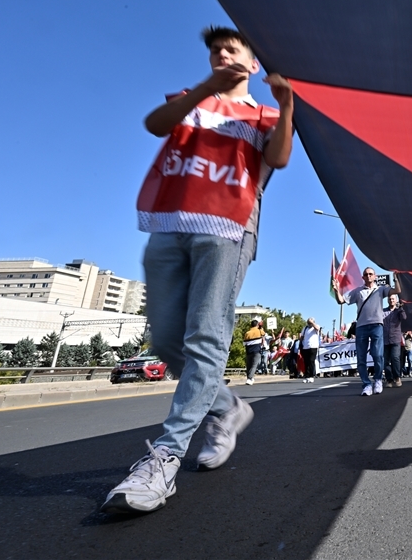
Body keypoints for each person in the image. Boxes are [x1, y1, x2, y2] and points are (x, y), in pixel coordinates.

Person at [102, 26, 295, 514]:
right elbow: (155, 124)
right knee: (167, 341)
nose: (221, 55)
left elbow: (280, 157)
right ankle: (227, 407)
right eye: (214, 50)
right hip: (171, 225)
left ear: (253, 64)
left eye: (232, 49)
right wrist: (207, 90)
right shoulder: (191, 100)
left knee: (206, 336)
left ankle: (164, 459)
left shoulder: (264, 111)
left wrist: (287, 105)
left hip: (229, 227)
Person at [334, 267, 400, 396]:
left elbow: (397, 290)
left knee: (378, 355)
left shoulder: (381, 290)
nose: (368, 276)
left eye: (371, 274)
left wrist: (396, 278)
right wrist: (336, 290)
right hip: (362, 327)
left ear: (375, 276)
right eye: (366, 274)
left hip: (377, 326)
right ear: (363, 277)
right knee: (361, 358)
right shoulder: (358, 291)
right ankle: (366, 384)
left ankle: (378, 380)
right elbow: (341, 301)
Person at [383, 294, 408, 388]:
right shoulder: (383, 311)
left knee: (395, 358)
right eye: (390, 299)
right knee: (386, 361)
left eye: (393, 299)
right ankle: (389, 379)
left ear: (396, 300)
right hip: (385, 339)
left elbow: (404, 318)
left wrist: (401, 308)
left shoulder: (398, 311)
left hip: (395, 339)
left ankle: (397, 377)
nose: (391, 300)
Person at [243, 319, 265, 385]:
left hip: (248, 351)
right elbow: (263, 335)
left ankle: (249, 378)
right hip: (256, 350)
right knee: (254, 365)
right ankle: (250, 378)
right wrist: (261, 327)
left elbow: (244, 343)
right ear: (257, 325)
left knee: (249, 366)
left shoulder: (247, 333)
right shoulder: (259, 331)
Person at [301, 318, 321, 383]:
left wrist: (312, 323)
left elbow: (317, 329)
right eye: (308, 322)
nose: (309, 324)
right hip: (305, 347)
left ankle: (312, 376)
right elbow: (302, 336)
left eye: (310, 322)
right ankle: (307, 376)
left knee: (311, 361)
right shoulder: (305, 328)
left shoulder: (316, 327)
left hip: (313, 346)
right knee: (306, 362)